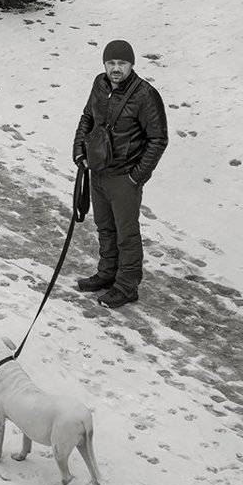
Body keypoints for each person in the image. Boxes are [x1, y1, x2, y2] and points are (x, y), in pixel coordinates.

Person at [71, 39, 168, 309]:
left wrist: (136, 177)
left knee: (127, 234)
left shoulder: (145, 95)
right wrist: (79, 151)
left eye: (122, 63)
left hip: (125, 178)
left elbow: (158, 139)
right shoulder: (99, 85)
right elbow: (87, 118)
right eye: (111, 63)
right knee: (105, 228)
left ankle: (126, 287)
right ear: (104, 64)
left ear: (131, 65)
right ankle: (107, 274)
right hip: (99, 172)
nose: (116, 68)